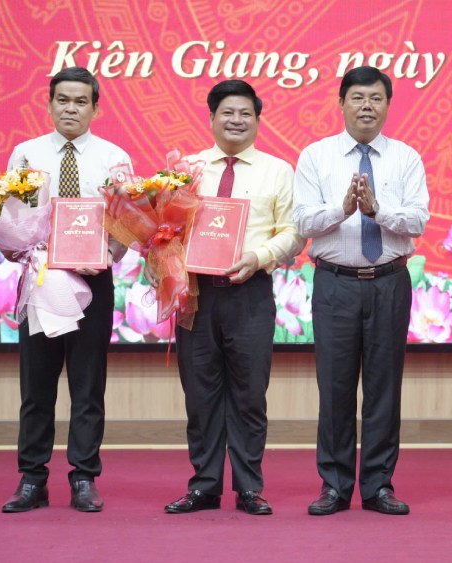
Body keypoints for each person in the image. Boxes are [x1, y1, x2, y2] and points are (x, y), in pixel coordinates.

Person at [163, 79, 305, 516]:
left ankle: (249, 488)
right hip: (198, 297)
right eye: (227, 112)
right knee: (200, 395)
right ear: (211, 118)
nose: (236, 120)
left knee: (248, 394)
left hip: (250, 294)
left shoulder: (278, 170)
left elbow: (294, 233)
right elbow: (166, 226)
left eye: (245, 113)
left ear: (258, 120)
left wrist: (259, 256)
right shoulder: (188, 169)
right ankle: (204, 486)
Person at [293, 66, 429, 516]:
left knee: (383, 388)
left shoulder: (405, 157)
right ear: (341, 103)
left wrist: (377, 210)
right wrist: (344, 208)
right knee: (334, 388)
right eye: (357, 97)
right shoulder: (316, 156)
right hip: (335, 283)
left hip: (389, 282)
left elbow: (418, 222)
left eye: (375, 98)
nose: (366, 106)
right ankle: (333, 486)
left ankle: (378, 486)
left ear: (388, 105)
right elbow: (304, 222)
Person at [1, 66, 132, 513]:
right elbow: (10, 215)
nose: (70, 108)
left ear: (95, 107)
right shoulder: (25, 154)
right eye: (62, 100)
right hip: (41, 282)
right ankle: (32, 479)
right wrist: (14, 248)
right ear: (50, 102)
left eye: (80, 101)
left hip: (93, 283)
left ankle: (83, 478)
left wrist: (108, 255)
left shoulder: (114, 157)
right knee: (36, 386)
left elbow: (128, 220)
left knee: (87, 384)